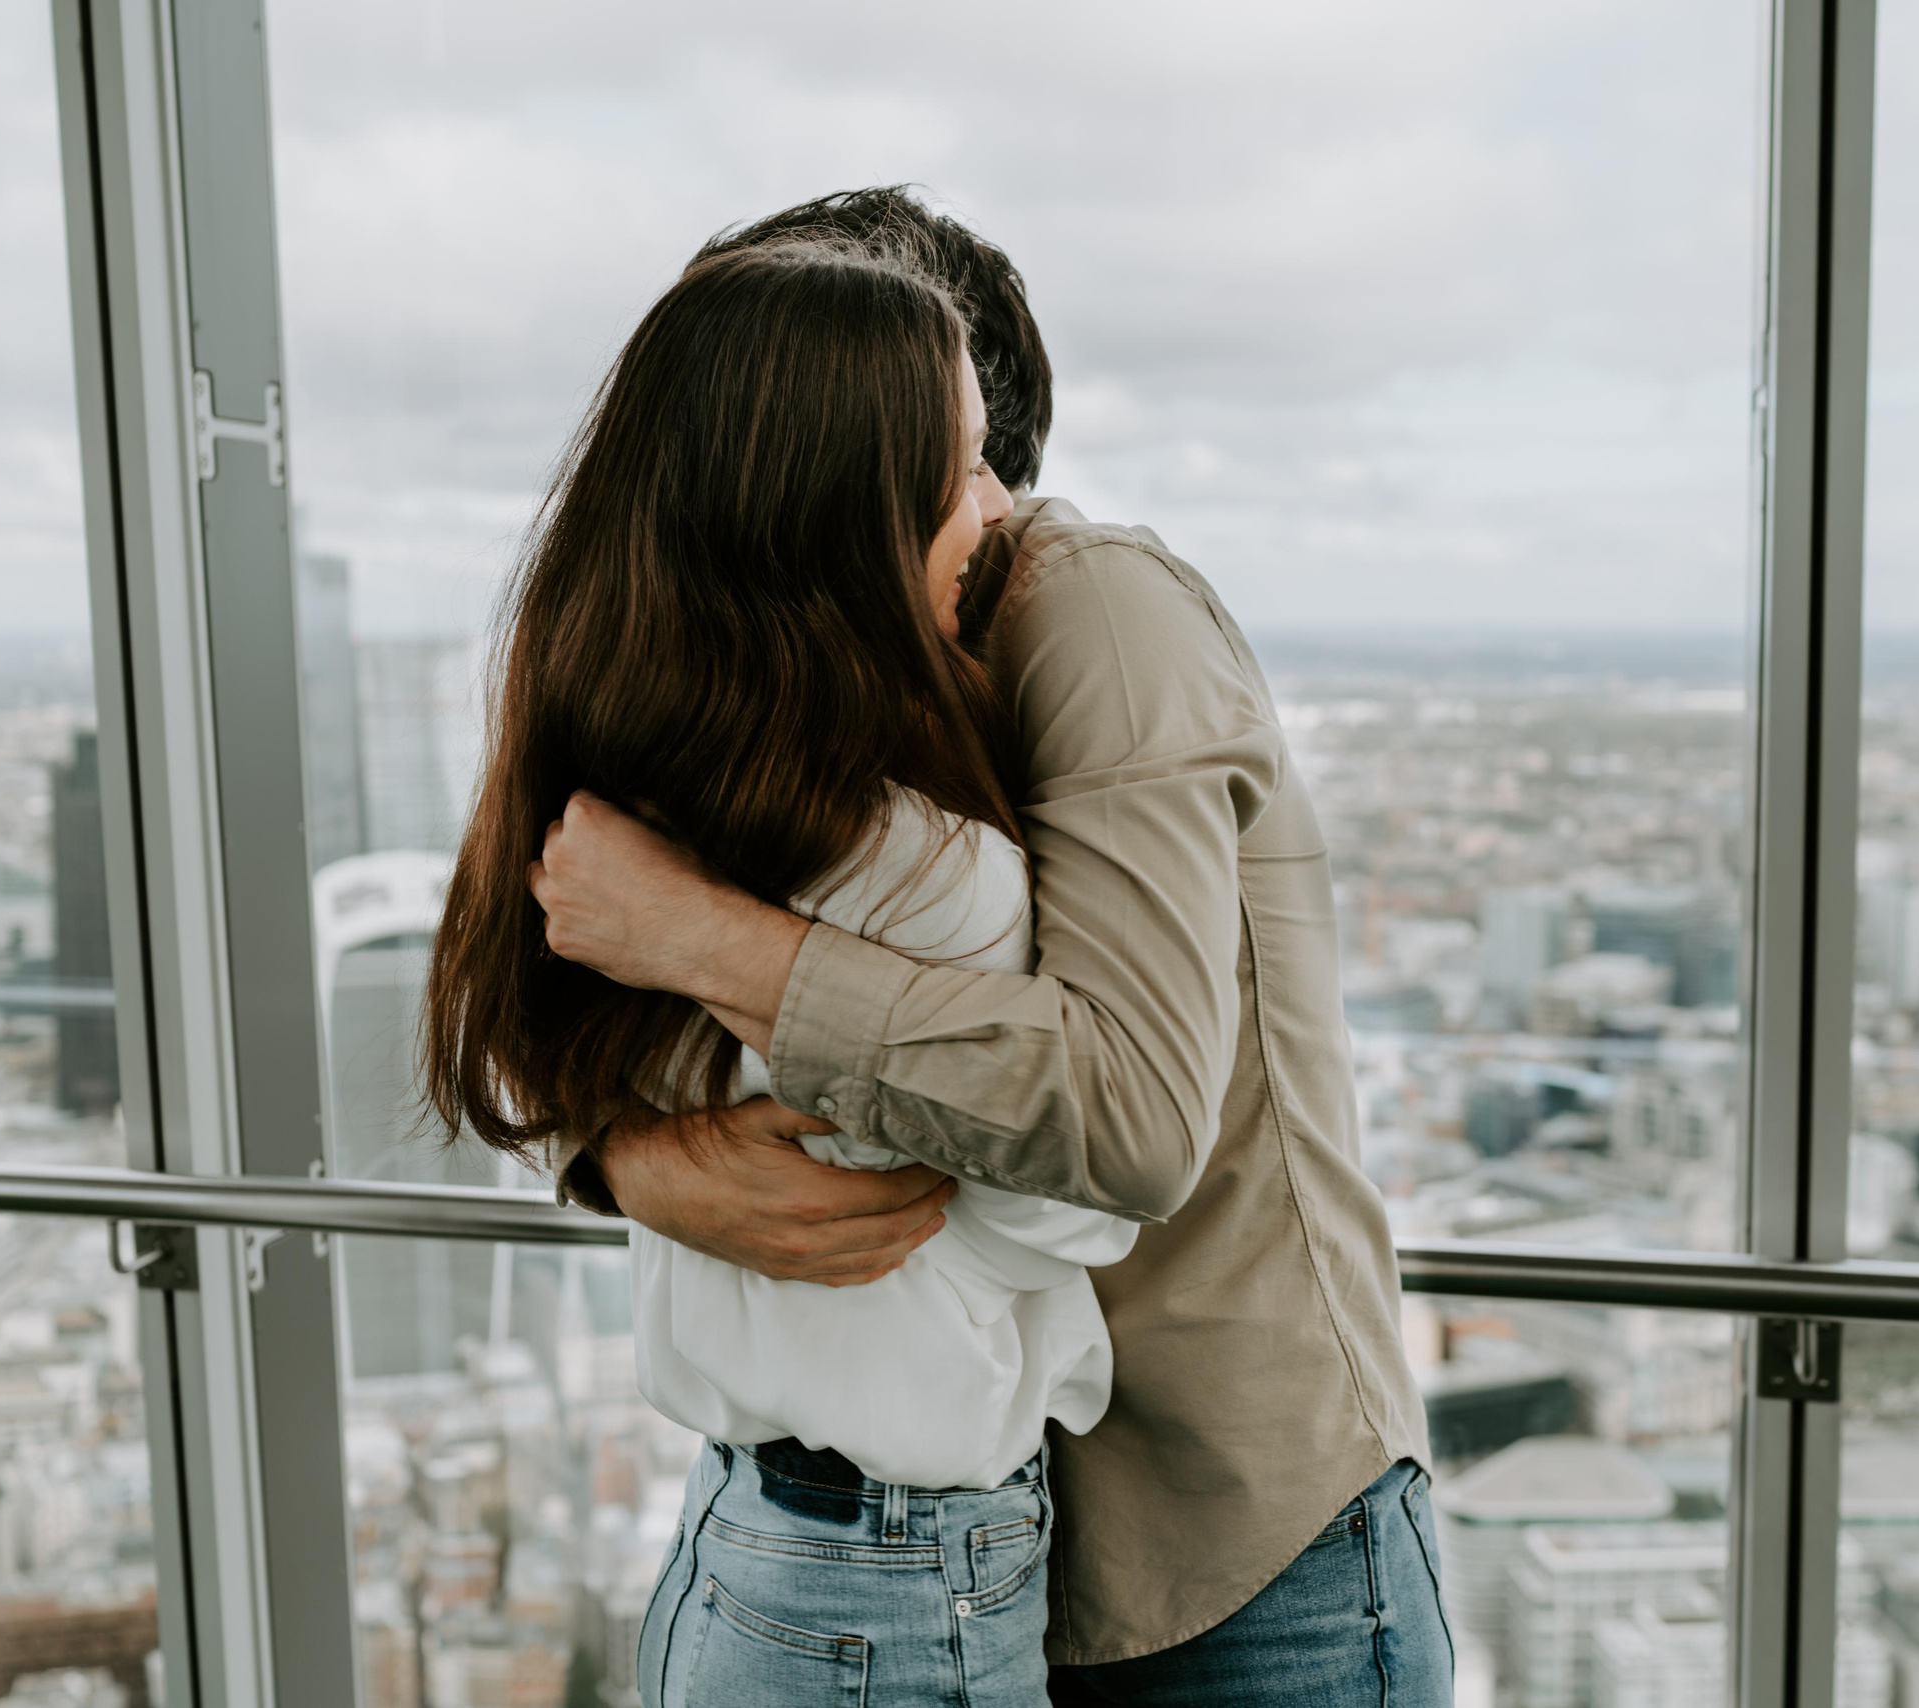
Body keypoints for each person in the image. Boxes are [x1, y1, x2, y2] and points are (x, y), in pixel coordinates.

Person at [529, 189, 1453, 1706]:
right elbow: (558, 966)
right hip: (932, 1548)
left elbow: (1133, 1121)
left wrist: (708, 937)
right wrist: (622, 1152)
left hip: (1232, 1555)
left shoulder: (1097, 614)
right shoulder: (796, 687)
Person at [421, 239, 1142, 1706]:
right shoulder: (933, 871)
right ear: (841, 520)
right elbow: (1066, 1200)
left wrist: (655, 1160)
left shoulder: (619, 807)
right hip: (900, 1577)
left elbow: (527, 1061)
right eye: (957, 470)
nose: (996, 511)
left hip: (735, 1549)